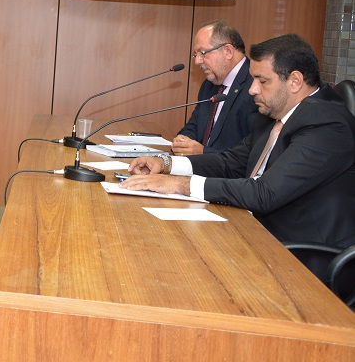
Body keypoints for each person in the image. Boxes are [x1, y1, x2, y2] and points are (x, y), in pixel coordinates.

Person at [124, 34, 355, 248]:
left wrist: (180, 184)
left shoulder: (327, 125)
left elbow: (265, 193)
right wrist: (166, 164)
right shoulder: (275, 113)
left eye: (262, 81)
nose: (252, 90)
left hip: (301, 252)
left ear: (295, 81)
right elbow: (230, 162)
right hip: (252, 229)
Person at [172, 20, 259, 155]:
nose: (197, 61)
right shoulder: (209, 84)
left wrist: (204, 153)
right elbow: (194, 125)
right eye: (196, 55)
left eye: (202, 53)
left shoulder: (256, 86)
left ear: (228, 51)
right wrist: (183, 140)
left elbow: (251, 152)